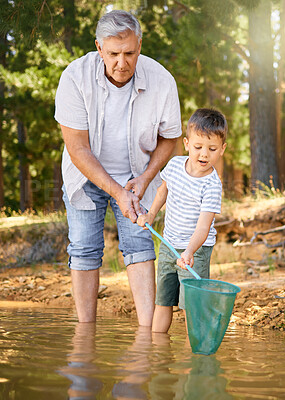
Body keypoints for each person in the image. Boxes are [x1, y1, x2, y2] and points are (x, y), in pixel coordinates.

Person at [54, 10, 181, 325]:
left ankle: (148, 335)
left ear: (140, 44)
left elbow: (171, 139)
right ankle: (86, 335)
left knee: (139, 245)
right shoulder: (74, 77)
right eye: (113, 54)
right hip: (85, 178)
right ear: (99, 48)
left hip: (136, 177)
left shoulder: (162, 80)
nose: (122, 62)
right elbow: (77, 148)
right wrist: (115, 191)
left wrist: (145, 178)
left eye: (129, 53)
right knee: (84, 247)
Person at [137, 108, 227, 333]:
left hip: (195, 251)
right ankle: (158, 350)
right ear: (187, 143)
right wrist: (150, 214)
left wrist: (189, 252)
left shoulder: (212, 186)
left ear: (222, 149)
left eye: (212, 149)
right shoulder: (176, 165)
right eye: (198, 147)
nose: (204, 154)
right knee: (163, 300)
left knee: (192, 306)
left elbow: (203, 227)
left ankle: (191, 356)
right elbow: (162, 191)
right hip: (168, 245)